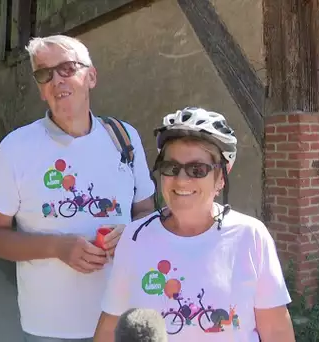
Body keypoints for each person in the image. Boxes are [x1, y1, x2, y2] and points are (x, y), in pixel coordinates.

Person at [0, 35, 156, 342]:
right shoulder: (17, 148)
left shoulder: (125, 137)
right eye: (44, 73)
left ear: (91, 76)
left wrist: (131, 233)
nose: (56, 79)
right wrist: (56, 248)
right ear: (41, 89)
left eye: (67, 68)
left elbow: (146, 212)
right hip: (50, 328)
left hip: (122, 322)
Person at [93, 107, 295, 341]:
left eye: (197, 170)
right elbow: (109, 329)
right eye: (171, 167)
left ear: (221, 176)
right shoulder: (135, 237)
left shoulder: (250, 236)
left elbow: (277, 332)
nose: (181, 180)